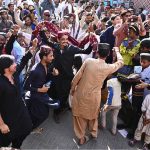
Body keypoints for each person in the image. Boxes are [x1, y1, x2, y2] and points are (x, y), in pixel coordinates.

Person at [70, 44, 124, 145]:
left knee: (79, 116)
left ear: (97, 52)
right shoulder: (108, 67)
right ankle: (93, 133)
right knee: (93, 116)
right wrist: (117, 51)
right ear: (107, 54)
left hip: (81, 93)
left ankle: (81, 137)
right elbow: (121, 62)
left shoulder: (88, 61)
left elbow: (76, 78)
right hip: (95, 97)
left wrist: (72, 89)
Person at [40, 30, 94, 123]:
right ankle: (54, 105)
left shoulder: (72, 48)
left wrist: (92, 42)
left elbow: (86, 51)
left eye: (66, 39)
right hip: (56, 75)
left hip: (67, 77)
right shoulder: (55, 46)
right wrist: (41, 30)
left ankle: (57, 112)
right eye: (63, 39)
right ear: (58, 39)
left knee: (63, 94)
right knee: (54, 92)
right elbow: (46, 40)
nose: (65, 41)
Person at [0, 41, 37, 149]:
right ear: (7, 67)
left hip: (20, 110)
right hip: (7, 116)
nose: (16, 64)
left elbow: (23, 61)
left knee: (27, 128)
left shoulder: (14, 74)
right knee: (5, 139)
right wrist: (1, 124)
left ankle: (16, 146)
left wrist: (33, 48)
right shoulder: (1, 83)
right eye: (13, 63)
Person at [24, 45, 60, 129]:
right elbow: (25, 86)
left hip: (42, 95)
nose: (53, 58)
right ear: (44, 57)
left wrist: (53, 75)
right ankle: (30, 128)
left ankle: (31, 127)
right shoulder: (35, 70)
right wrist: (39, 89)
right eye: (51, 56)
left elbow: (45, 78)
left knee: (43, 114)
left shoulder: (46, 65)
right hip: (36, 97)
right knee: (42, 115)